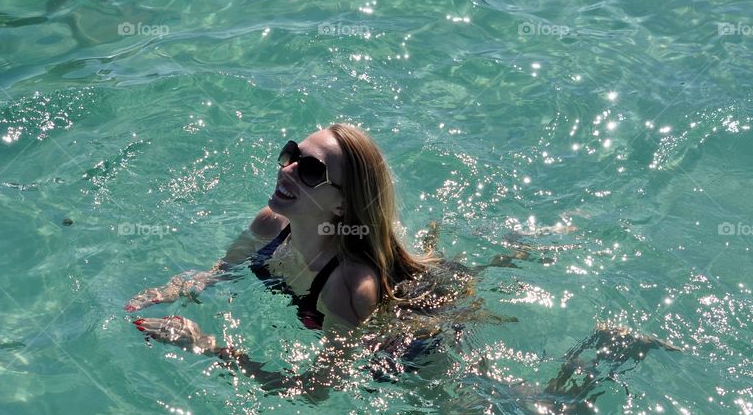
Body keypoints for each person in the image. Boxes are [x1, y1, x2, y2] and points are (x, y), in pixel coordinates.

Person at [124, 123, 486, 399]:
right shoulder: (270, 223)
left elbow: (315, 391)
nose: (287, 170)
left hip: (411, 354)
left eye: (311, 170)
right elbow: (219, 273)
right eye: (291, 154)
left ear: (343, 204)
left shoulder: (347, 286)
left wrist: (210, 347)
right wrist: (175, 289)